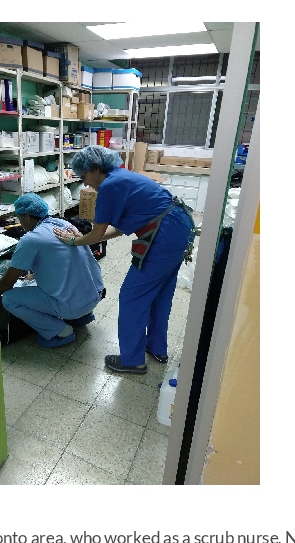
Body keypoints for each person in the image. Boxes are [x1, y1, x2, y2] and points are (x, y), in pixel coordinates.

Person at [54, 146, 195, 375]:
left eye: (84, 176)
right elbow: (119, 228)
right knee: (160, 293)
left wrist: (73, 241)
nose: (86, 183)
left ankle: (133, 361)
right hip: (179, 227)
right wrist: (84, 238)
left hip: (164, 234)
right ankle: (157, 348)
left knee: (132, 296)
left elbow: (96, 235)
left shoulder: (109, 186)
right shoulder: (121, 176)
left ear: (95, 168)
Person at [0, 193, 105, 349]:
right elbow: (65, 259)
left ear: (27, 216)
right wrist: (38, 273)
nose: (20, 223)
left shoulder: (30, 239)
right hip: (95, 294)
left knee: (9, 298)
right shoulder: (63, 223)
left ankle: (60, 332)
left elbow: (8, 282)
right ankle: (82, 317)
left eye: (19, 218)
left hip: (73, 307)